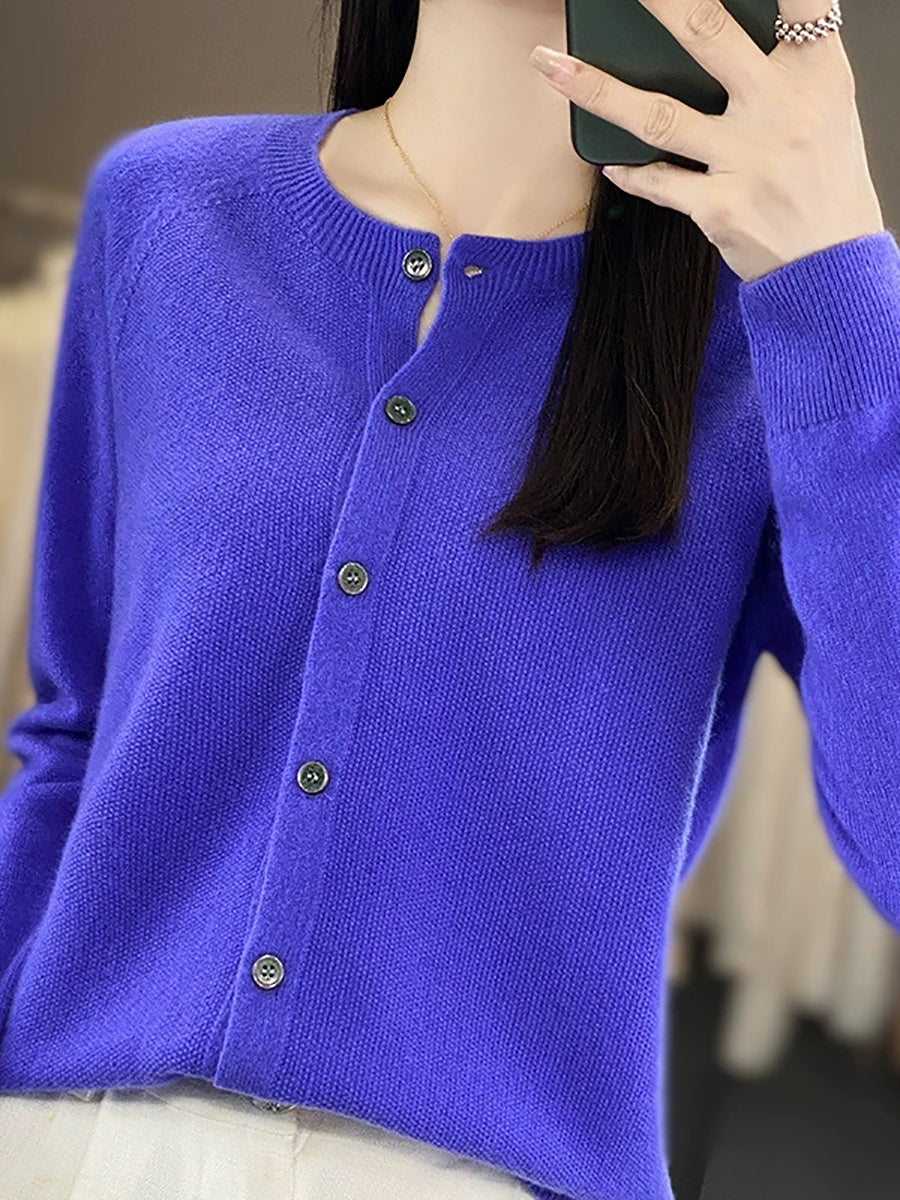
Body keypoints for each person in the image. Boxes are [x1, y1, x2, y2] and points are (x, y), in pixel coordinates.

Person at [1, 0, 898, 1197]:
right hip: (73, 1137)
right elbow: (73, 735)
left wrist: (835, 284)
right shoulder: (168, 209)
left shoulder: (781, 332)